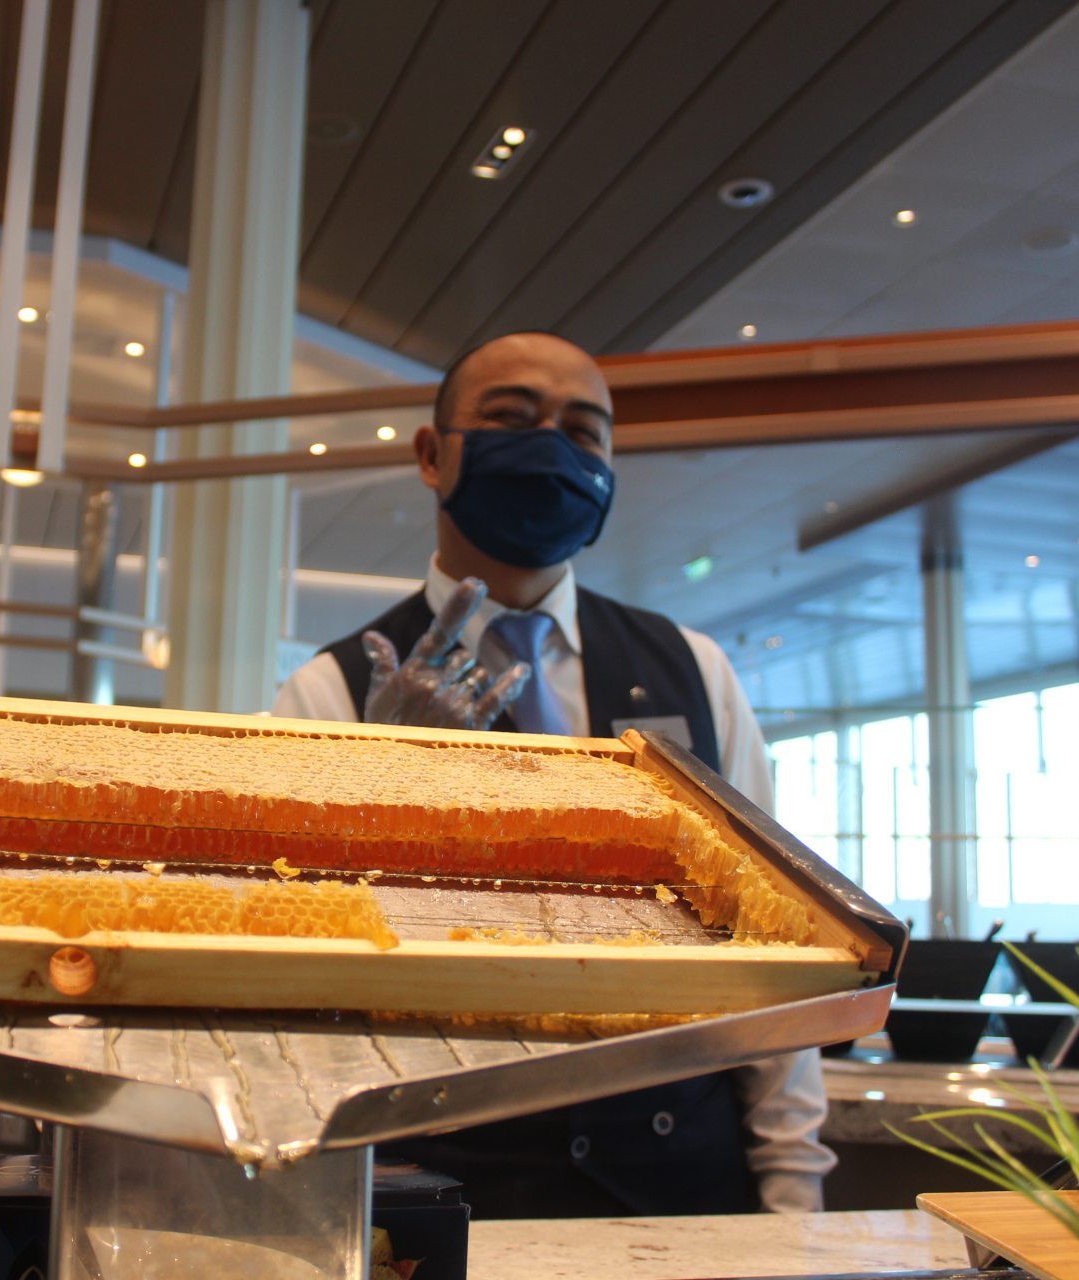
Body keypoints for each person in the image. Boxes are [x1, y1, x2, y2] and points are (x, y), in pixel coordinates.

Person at [272, 331, 835, 1218]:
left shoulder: (692, 668)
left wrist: (792, 1192)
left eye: (585, 432)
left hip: (684, 1182)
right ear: (431, 454)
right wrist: (383, 792)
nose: (553, 449)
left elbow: (773, 940)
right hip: (440, 1188)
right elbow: (297, 982)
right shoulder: (328, 690)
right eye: (512, 419)